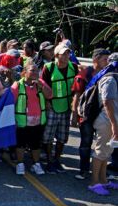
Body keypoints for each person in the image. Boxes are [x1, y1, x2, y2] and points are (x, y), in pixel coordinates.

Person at [41, 44, 79, 174]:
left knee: (63, 136)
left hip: (67, 106)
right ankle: (49, 160)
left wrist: (75, 106)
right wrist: (46, 102)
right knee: (48, 136)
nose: (67, 56)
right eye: (64, 54)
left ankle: (57, 160)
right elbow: (43, 86)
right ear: (57, 55)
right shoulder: (49, 68)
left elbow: (78, 87)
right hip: (52, 106)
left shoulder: (73, 67)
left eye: (68, 53)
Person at [74, 49, 111, 180]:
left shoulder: (109, 73)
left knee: (103, 144)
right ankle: (83, 170)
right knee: (86, 143)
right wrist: (74, 115)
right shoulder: (86, 73)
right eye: (104, 59)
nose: (107, 62)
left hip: (102, 114)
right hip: (87, 114)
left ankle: (102, 172)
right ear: (95, 60)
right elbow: (78, 95)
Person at [11, 63, 52, 175]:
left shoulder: (40, 83)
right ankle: (20, 164)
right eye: (32, 70)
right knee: (21, 144)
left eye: (36, 71)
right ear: (24, 72)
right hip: (22, 121)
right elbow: (10, 102)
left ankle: (36, 164)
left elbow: (49, 95)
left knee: (36, 144)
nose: (35, 73)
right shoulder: (17, 85)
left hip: (38, 120)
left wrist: (41, 86)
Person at [88, 54, 118, 195]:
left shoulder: (114, 77)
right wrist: (114, 125)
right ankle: (94, 183)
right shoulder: (110, 79)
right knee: (100, 151)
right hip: (107, 121)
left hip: (111, 121)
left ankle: (103, 180)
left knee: (107, 152)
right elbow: (107, 102)